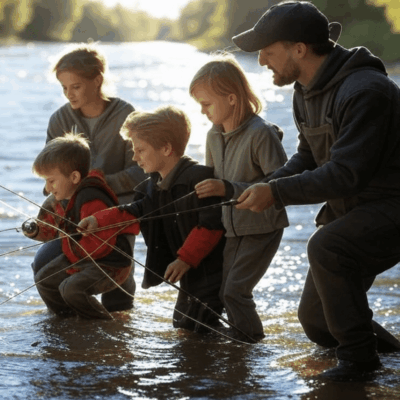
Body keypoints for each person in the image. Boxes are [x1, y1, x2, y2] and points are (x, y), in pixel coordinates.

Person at [232, 0, 400, 380]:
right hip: (356, 211)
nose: (261, 61)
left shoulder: (366, 91)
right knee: (318, 323)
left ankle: (361, 365)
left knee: (327, 246)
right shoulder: (305, 90)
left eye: (267, 51)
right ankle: (388, 357)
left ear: (299, 49)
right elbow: (308, 157)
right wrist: (265, 185)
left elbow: (344, 175)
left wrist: (274, 196)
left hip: (391, 207)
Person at [78, 105, 225, 332]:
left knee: (201, 327)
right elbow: (134, 211)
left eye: (141, 150)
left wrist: (184, 259)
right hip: (188, 273)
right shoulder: (153, 186)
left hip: (209, 271)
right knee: (182, 325)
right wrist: (98, 220)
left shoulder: (199, 179)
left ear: (166, 149)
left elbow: (211, 226)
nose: (135, 158)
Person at [33, 43, 146, 312]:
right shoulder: (59, 119)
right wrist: (53, 190)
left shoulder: (125, 114)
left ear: (97, 81)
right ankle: (71, 324)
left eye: (76, 86)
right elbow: (49, 170)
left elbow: (142, 171)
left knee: (117, 283)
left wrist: (96, 183)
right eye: (64, 87)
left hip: (114, 213)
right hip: (70, 214)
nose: (69, 94)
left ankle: (118, 328)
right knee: (44, 267)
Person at [190, 54, 289, 342]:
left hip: (263, 227)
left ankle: (251, 346)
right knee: (224, 292)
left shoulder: (261, 134)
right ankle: (240, 344)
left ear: (231, 98)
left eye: (206, 104)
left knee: (236, 291)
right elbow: (213, 182)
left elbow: (280, 183)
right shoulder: (212, 136)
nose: (202, 112)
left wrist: (227, 189)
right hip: (231, 229)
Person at [22, 134, 139, 319]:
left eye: (51, 181)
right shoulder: (60, 198)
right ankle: (65, 318)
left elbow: (98, 247)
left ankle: (100, 323)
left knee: (70, 288)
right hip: (80, 255)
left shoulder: (91, 198)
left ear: (74, 177)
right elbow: (51, 228)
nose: (47, 188)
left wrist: (71, 267)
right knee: (44, 280)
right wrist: (34, 230)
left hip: (109, 263)